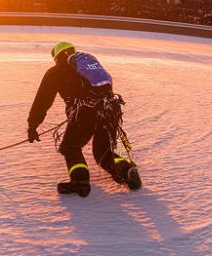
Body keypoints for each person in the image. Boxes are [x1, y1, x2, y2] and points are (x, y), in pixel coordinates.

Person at [27, 41, 141, 196]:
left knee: (70, 147)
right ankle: (126, 170)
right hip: (109, 111)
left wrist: (33, 125)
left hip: (84, 113)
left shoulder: (55, 72)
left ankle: (80, 182)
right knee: (102, 153)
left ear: (56, 57)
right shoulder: (88, 67)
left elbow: (42, 101)